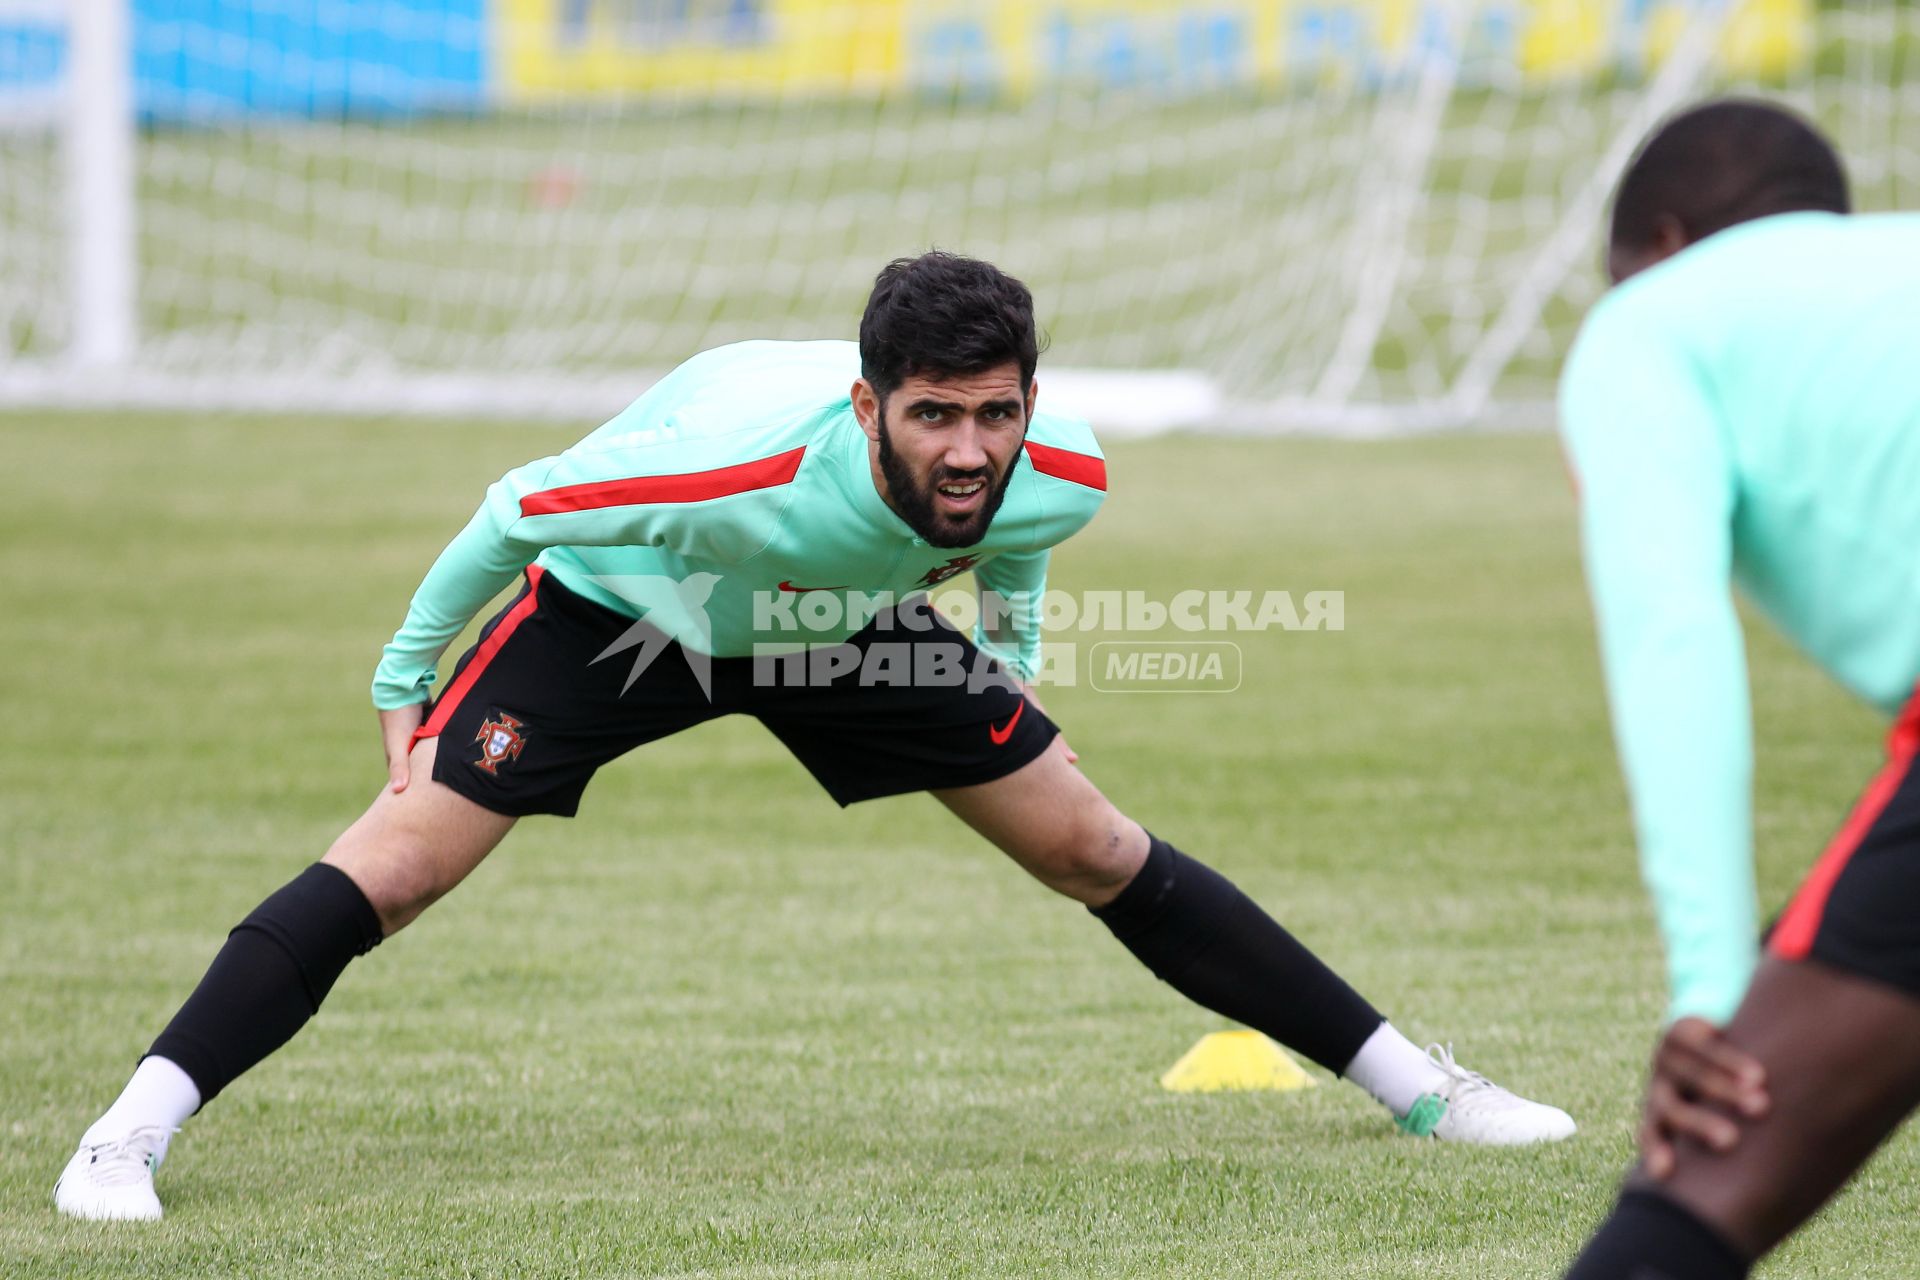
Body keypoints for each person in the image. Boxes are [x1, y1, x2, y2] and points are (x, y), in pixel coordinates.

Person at [55, 251, 1572, 1222]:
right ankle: (127, 1132)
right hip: (631, 605)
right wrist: (405, 669)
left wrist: (1016, 663)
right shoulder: (713, 467)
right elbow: (516, 506)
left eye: (993, 412)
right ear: (866, 408)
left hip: (831, 628)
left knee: (1094, 846)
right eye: (930, 418)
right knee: (393, 868)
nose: (967, 448)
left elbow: (1016, 537)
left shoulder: (1057, 468)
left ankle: (1424, 1089)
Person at [1558, 100, 1920, 1278]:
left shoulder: (1652, 324)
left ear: (1661, 246)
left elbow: (1673, 636)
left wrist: (1710, 992)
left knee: (1701, 1183)